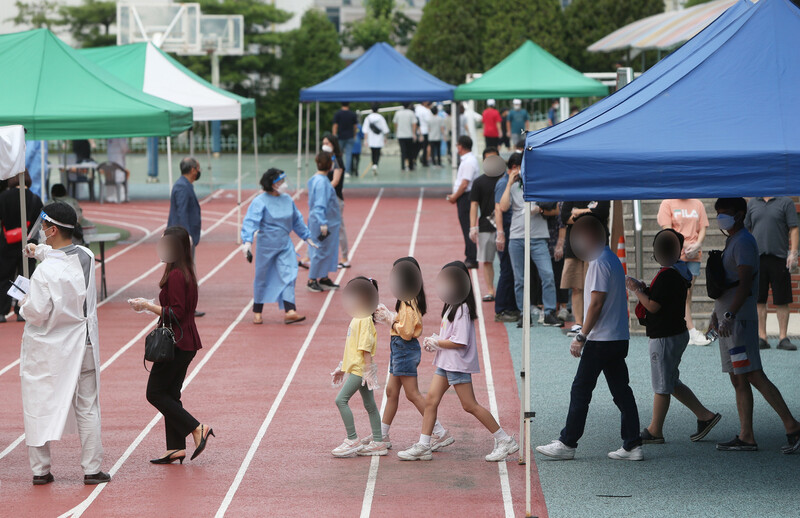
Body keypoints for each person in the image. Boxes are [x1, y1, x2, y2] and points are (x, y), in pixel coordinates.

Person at [536, 214, 642, 461]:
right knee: (621, 391)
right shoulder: (612, 258)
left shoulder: (597, 262)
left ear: (592, 235)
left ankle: (568, 442)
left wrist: (582, 336)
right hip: (617, 337)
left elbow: (596, 303)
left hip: (601, 339)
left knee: (581, 389)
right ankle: (633, 444)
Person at [20, 202, 109, 485]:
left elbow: (36, 312)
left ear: (53, 229)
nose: (42, 232)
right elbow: (62, 256)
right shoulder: (85, 255)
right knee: (88, 406)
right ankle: (92, 469)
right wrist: (38, 250)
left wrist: (23, 300)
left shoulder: (43, 274)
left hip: (52, 350)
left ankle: (40, 471)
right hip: (85, 344)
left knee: (38, 403)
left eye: (44, 227)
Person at [398, 262, 519, 462]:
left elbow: (460, 341)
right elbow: (450, 335)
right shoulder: (452, 305)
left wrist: (437, 342)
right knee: (431, 401)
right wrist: (436, 342)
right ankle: (424, 445)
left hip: (457, 364)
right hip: (446, 363)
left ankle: (505, 440)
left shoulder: (461, 308)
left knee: (470, 405)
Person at [710, 198, 800, 454]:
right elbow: (728, 284)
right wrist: (718, 313)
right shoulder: (734, 240)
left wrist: (729, 313)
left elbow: (746, 282)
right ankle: (746, 435)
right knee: (738, 378)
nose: (721, 218)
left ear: (740, 215)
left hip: (738, 323)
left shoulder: (744, 242)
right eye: (718, 214)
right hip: (730, 322)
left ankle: (793, 426)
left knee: (752, 373)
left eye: (725, 213)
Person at [128, 226, 214, 465]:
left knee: (154, 393)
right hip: (186, 341)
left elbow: (176, 311)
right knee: (171, 395)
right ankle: (175, 447)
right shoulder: (183, 271)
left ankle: (197, 428)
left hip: (177, 342)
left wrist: (146, 305)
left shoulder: (176, 275)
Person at [627, 229, 721, 445]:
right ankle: (705, 416)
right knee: (670, 381)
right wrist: (645, 288)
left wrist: (636, 290)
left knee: (661, 385)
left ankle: (654, 430)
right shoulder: (680, 272)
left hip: (664, 336)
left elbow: (653, 306)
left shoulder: (667, 274)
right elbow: (662, 297)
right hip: (677, 333)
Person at [370, 257, 449, 449]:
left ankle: (440, 432)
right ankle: (382, 435)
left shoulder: (408, 301)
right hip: (399, 349)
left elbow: (406, 332)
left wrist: (389, 320)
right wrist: (390, 315)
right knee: (391, 391)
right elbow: (405, 324)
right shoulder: (406, 299)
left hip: (404, 349)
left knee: (412, 394)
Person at [241, 169, 316, 325]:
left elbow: (297, 220)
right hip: (266, 245)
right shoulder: (260, 201)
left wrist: (307, 236)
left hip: (284, 244)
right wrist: (247, 242)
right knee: (262, 276)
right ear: (272, 184)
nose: (284, 185)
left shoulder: (288, 199)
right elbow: (250, 222)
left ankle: (290, 311)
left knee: (290, 274)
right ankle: (257, 311)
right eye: (280, 182)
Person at [499, 153, 562, 327]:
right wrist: (510, 183)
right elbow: (503, 207)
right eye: (516, 167)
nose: (519, 171)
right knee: (519, 278)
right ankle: (523, 313)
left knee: (547, 274)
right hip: (517, 237)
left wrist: (539, 210)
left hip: (538, 237)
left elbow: (555, 209)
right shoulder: (510, 186)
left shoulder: (537, 183)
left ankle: (549, 311)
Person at [330, 277, 384, 457]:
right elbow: (351, 349)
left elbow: (365, 348)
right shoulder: (358, 317)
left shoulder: (364, 319)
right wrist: (342, 367)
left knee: (341, 400)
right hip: (357, 368)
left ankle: (352, 439)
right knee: (370, 405)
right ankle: (378, 441)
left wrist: (368, 372)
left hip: (360, 370)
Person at [745, 196, 798, 351]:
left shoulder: (786, 202)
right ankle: (762, 337)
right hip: (757, 258)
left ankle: (783, 337)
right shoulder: (753, 203)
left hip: (780, 257)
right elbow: (746, 228)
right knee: (759, 299)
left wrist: (793, 252)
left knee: (782, 299)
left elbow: (794, 228)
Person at [657, 199, 711, 346]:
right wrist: (687, 245)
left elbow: (703, 228)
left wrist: (697, 245)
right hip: (675, 254)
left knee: (689, 293)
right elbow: (667, 230)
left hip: (694, 256)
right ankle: (690, 329)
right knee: (681, 293)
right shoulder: (667, 203)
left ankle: (684, 328)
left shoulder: (698, 204)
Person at [556, 201, 611, 336]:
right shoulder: (571, 192)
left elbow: (602, 213)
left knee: (595, 287)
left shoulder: (601, 191)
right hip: (574, 245)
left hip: (596, 245)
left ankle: (591, 323)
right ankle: (579, 322)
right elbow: (565, 217)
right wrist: (589, 212)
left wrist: (578, 212)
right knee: (576, 286)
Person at [0, 172, 43, 322]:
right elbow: (40, 223)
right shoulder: (35, 199)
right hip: (28, 245)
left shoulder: (3, 197)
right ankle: (21, 310)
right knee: (25, 277)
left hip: (7, 244)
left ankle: (2, 311)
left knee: (4, 277)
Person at [167, 157, 204, 317]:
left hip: (183, 235)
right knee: (183, 272)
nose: (199, 171)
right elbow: (182, 212)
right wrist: (186, 236)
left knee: (182, 271)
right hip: (181, 237)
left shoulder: (185, 184)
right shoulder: (182, 187)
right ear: (193, 169)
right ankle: (183, 306)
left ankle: (183, 305)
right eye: (198, 168)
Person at [469, 149, 503, 302]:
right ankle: (491, 290)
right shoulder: (478, 182)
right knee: (487, 260)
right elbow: (474, 204)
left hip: (505, 226)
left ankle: (505, 289)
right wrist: (473, 226)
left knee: (506, 261)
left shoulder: (505, 180)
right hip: (486, 226)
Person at [307, 152, 341, 293]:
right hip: (323, 222)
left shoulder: (318, 179)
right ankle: (312, 279)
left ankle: (323, 276)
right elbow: (319, 205)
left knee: (328, 250)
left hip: (328, 221)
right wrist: (323, 223)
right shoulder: (321, 182)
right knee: (320, 250)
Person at [493, 157, 520, 323]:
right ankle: (501, 309)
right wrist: (501, 233)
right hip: (508, 230)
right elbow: (498, 209)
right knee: (507, 269)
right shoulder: (504, 183)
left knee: (511, 269)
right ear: (515, 167)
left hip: (512, 229)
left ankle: (510, 306)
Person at [447, 136, 479, 269]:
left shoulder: (468, 162)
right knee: (466, 227)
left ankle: (472, 257)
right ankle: (470, 255)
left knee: (467, 227)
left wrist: (454, 196)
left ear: (461, 146)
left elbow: (465, 183)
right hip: (464, 196)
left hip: (466, 197)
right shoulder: (468, 160)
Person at [321, 134, 349, 269]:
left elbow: (336, 181)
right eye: (323, 143)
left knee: (338, 228)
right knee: (321, 225)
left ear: (333, 144)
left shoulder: (337, 160)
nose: (324, 145)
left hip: (335, 198)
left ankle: (344, 257)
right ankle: (312, 255)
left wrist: (323, 189)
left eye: (327, 143)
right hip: (326, 198)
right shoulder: (324, 160)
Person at [363, 103, 390, 176]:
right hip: (379, 138)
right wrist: (385, 138)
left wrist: (365, 140)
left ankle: (373, 164)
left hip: (371, 139)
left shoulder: (368, 118)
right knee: (377, 153)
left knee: (373, 152)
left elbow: (365, 130)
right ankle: (376, 165)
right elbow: (385, 129)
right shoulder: (380, 117)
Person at [332, 102, 358, 175]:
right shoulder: (352, 114)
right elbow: (355, 126)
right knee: (348, 155)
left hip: (340, 137)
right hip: (350, 136)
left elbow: (335, 125)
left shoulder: (338, 114)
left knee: (338, 154)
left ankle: (338, 169)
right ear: (348, 104)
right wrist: (354, 135)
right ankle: (347, 172)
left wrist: (334, 135)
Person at [104, 138, 130, 202]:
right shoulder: (120, 136)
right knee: (119, 179)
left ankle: (110, 197)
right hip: (118, 162)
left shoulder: (109, 136)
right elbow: (124, 147)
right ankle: (120, 197)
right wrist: (128, 150)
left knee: (111, 179)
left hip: (112, 161)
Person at [393, 103, 417, 171]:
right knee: (410, 151)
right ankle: (411, 166)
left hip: (401, 135)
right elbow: (414, 124)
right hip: (409, 135)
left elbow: (395, 123)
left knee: (403, 152)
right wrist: (414, 133)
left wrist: (396, 132)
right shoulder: (411, 113)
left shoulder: (398, 113)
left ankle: (403, 166)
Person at [414, 102, 432, 167]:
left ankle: (414, 160)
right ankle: (424, 161)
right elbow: (429, 120)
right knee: (425, 147)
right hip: (425, 131)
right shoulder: (426, 110)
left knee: (417, 148)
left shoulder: (416, 108)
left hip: (418, 131)